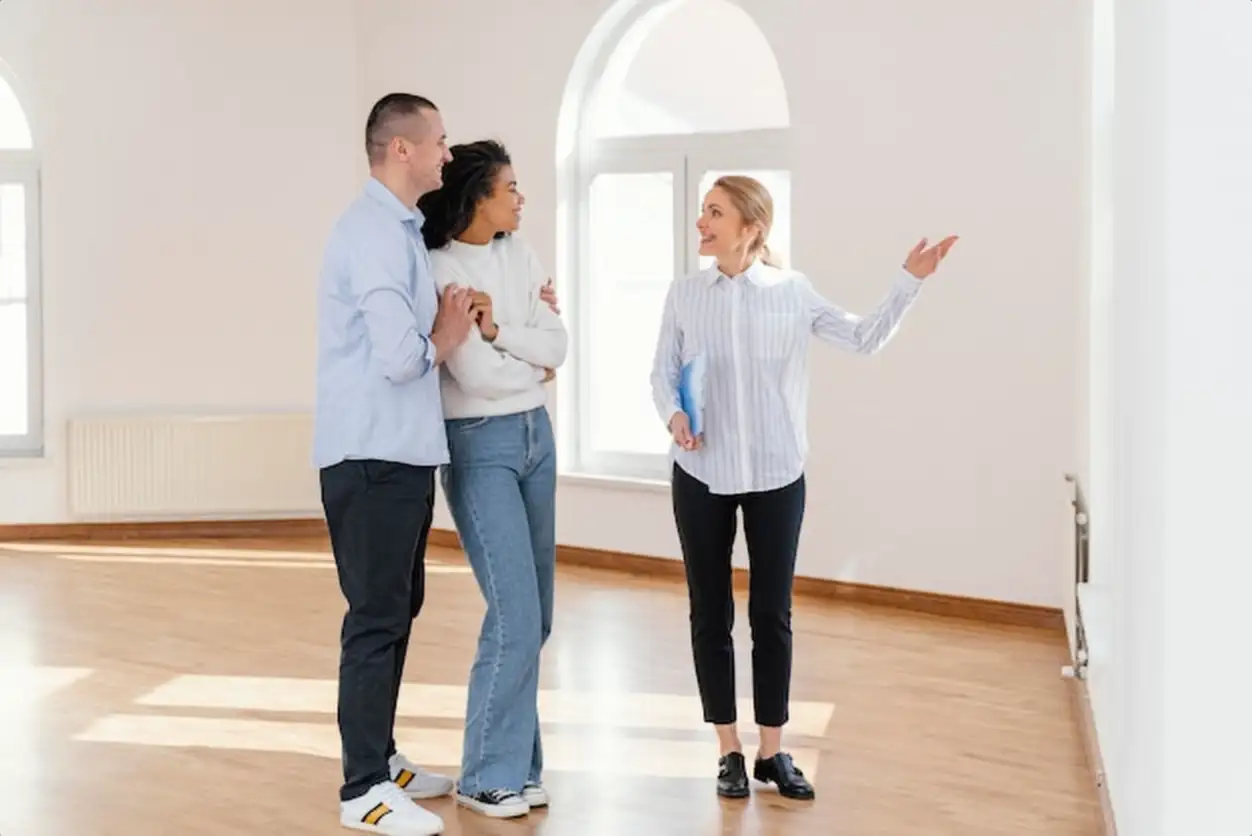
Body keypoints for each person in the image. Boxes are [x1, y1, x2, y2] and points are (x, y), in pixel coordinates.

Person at [649, 175, 957, 801]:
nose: (701, 222)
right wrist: (675, 416)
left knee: (771, 614)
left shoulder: (793, 293)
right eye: (703, 211)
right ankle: (728, 751)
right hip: (701, 473)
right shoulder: (685, 294)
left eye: (715, 212)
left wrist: (910, 280)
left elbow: (865, 337)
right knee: (709, 612)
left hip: (775, 475)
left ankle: (773, 751)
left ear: (751, 228)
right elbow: (662, 373)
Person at [313, 92, 478, 836]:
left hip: (398, 456)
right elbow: (399, 358)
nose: (449, 152)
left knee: (396, 608)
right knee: (376, 617)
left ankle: (381, 756)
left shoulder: (399, 231)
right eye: (440, 140)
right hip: (372, 455)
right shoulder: (374, 236)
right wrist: (444, 333)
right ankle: (363, 791)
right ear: (401, 149)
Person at [415, 139, 567, 820]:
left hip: (538, 439)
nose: (519, 197)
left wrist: (503, 330)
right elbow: (472, 376)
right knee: (514, 611)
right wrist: (530, 363)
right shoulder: (441, 267)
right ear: (477, 196)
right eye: (509, 187)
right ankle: (485, 774)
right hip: (480, 444)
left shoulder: (517, 254)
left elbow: (559, 343)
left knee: (537, 615)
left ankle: (518, 767)